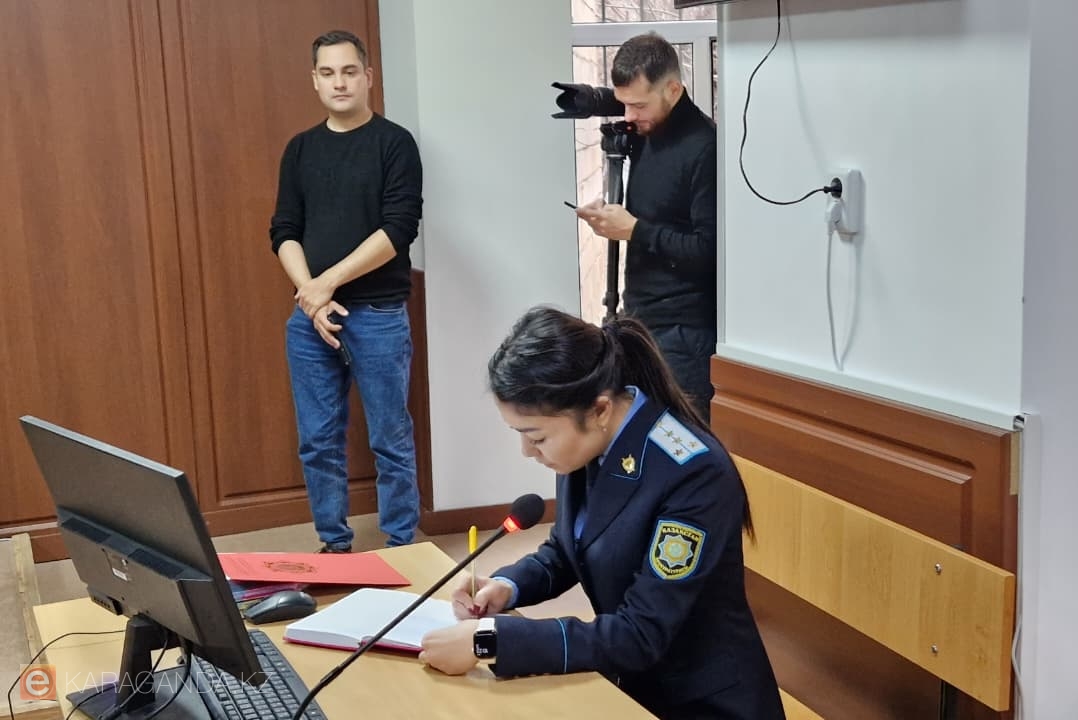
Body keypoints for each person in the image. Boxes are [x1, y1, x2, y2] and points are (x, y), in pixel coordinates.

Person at [418, 306, 785, 720]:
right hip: (629, 683)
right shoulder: (590, 442)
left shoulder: (693, 474)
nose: (527, 452)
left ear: (599, 410)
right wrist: (506, 586)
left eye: (537, 437)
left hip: (701, 703)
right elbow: (568, 549)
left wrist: (490, 640)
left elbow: (640, 633)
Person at [268, 30, 423, 552]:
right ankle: (334, 547)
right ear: (314, 80)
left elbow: (398, 229)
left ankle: (401, 546)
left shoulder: (394, 144)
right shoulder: (300, 149)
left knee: (390, 440)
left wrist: (325, 284)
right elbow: (284, 230)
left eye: (349, 71)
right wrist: (310, 296)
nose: (340, 82)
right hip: (310, 320)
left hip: (378, 315)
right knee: (317, 442)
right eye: (328, 73)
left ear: (368, 77)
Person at [575, 33, 718, 419]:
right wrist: (612, 222)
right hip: (640, 319)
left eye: (638, 105)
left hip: (684, 335)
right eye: (624, 104)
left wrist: (635, 231)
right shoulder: (645, 133)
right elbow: (654, 218)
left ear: (673, 89)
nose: (628, 116)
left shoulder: (704, 147)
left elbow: (709, 250)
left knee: (682, 443)